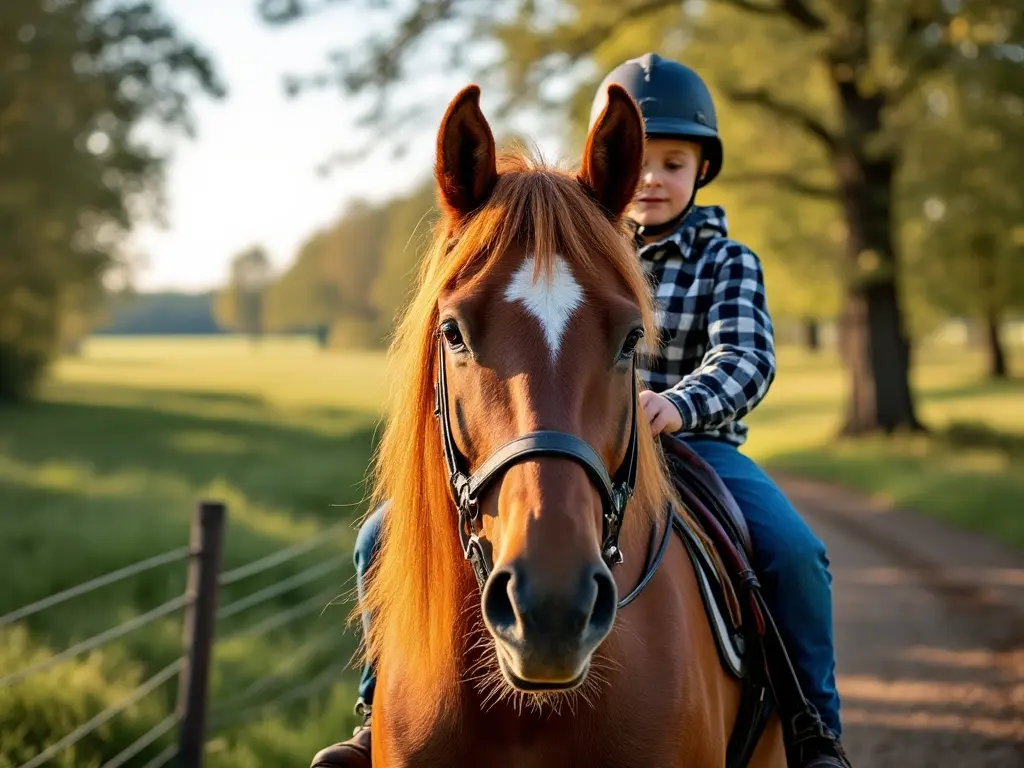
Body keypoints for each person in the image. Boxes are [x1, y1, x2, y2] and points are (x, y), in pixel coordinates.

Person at [312, 52, 850, 768]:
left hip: (697, 444)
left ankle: (815, 729)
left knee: (795, 553)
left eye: (675, 162)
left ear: (701, 172)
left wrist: (678, 404)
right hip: (584, 439)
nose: (656, 179)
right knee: (379, 538)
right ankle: (372, 712)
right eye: (647, 161)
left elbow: (748, 361)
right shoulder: (573, 245)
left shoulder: (729, 262)